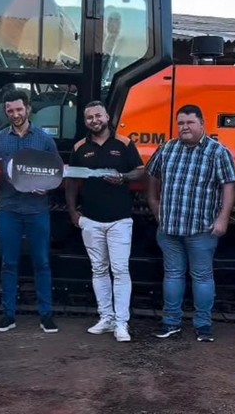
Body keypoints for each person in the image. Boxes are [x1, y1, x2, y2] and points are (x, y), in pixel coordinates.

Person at [146, 104, 235, 342]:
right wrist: (154, 202)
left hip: (201, 229)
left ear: (202, 124)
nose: (184, 127)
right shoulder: (167, 148)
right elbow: (152, 175)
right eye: (181, 123)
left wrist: (223, 218)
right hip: (169, 227)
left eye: (190, 122)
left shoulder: (218, 152)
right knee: (172, 275)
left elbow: (229, 186)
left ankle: (203, 325)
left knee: (202, 277)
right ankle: (171, 322)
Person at [0, 89, 60, 334]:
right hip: (8, 209)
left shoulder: (44, 140)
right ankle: (8, 315)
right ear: (6, 112)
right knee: (8, 263)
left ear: (28, 109)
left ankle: (46, 315)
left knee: (42, 262)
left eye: (19, 109)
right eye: (10, 110)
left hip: (37, 209)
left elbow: (56, 172)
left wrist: (47, 188)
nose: (15, 114)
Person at [65, 101, 144, 342]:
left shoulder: (124, 143)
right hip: (91, 219)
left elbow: (140, 170)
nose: (94, 120)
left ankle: (121, 323)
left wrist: (123, 177)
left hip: (120, 219)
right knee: (98, 269)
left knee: (120, 270)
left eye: (98, 115)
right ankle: (106, 318)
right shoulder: (79, 148)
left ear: (107, 117)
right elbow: (71, 181)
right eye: (89, 117)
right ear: (85, 121)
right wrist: (73, 212)